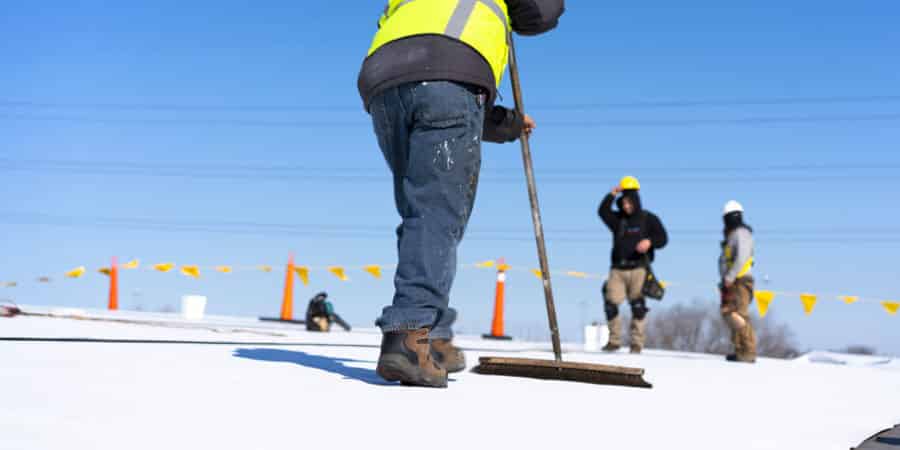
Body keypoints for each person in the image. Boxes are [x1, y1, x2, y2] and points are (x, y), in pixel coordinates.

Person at [358, 0, 565, 387]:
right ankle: (410, 333)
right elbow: (543, 12)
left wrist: (508, 123)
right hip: (447, 72)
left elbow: (443, 87)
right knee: (436, 214)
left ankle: (432, 335)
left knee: (421, 211)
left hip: (384, 77)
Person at [598, 176, 668, 354]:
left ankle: (637, 343)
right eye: (624, 203)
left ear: (636, 201)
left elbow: (663, 238)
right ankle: (614, 341)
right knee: (610, 302)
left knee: (637, 305)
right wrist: (612, 194)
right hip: (617, 269)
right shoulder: (618, 219)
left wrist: (650, 242)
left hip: (639, 269)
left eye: (629, 203)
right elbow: (602, 212)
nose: (626, 206)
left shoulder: (648, 219)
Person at [719, 200, 757, 363]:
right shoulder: (731, 236)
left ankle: (747, 351)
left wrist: (730, 277)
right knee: (729, 314)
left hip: (740, 281)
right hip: (731, 282)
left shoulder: (741, 233)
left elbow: (741, 257)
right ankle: (739, 349)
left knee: (739, 315)